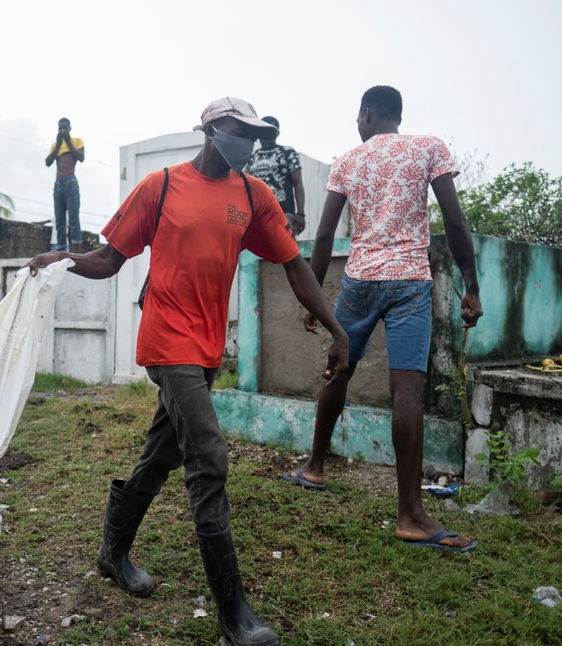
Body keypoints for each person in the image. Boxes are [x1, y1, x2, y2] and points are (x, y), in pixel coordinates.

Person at [27, 97, 349, 646]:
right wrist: (63, 260)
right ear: (210, 130)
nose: (247, 141)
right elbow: (111, 258)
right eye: (237, 130)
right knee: (208, 455)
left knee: (164, 451)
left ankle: (112, 550)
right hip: (166, 339)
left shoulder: (252, 195)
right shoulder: (161, 186)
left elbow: (294, 265)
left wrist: (338, 331)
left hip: (205, 348)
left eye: (254, 133)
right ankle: (234, 615)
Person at [285, 86, 483, 553]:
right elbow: (454, 222)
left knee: (340, 369)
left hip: (359, 280)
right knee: (406, 390)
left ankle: (314, 465)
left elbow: (326, 233)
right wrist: (471, 286)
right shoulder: (429, 148)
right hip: (410, 281)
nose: (357, 123)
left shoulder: (349, 161)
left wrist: (313, 301)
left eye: (358, 116)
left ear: (369, 113)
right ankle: (411, 515)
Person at [244, 116, 307, 236]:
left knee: (286, 249)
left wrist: (300, 214)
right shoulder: (252, 157)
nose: (267, 135)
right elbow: (246, 187)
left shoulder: (287, 152)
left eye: (272, 131)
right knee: (260, 251)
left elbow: (298, 183)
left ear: (278, 133)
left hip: (284, 212)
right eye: (264, 131)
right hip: (257, 214)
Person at [45, 117, 85, 251]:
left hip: (70, 183)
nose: (62, 131)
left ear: (69, 128)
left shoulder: (76, 141)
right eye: (60, 129)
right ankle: (61, 252)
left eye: (65, 128)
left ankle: (75, 252)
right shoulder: (54, 145)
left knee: (73, 219)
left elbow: (81, 157)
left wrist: (67, 140)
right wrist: (58, 144)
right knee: (59, 221)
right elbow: (48, 162)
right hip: (58, 185)